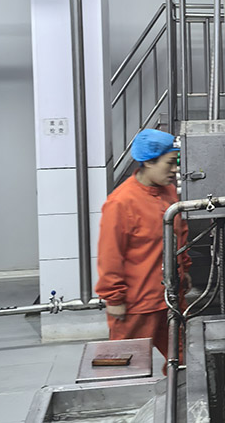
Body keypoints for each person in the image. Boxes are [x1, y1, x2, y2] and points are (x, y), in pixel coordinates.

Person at [95, 128, 190, 361]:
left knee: (183, 359)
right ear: (148, 162)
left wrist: (184, 269)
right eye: (169, 163)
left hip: (170, 298)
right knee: (128, 364)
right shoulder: (121, 202)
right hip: (137, 304)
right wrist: (114, 298)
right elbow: (110, 255)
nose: (175, 170)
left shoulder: (168, 192)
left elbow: (180, 233)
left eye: (176, 163)